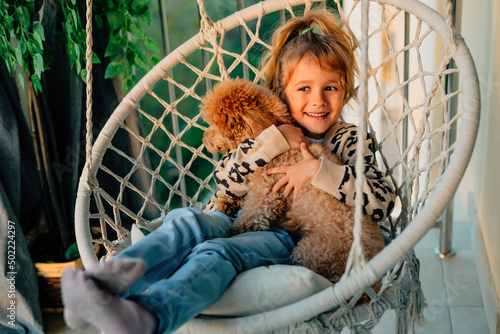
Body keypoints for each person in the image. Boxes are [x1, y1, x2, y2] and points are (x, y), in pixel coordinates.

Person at [61, 8, 395, 334]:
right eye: (304, 88)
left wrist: (317, 171)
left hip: (288, 237)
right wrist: (275, 140)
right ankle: (103, 284)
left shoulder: (350, 139)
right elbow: (228, 181)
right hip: (240, 215)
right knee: (188, 221)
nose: (318, 100)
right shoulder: (267, 128)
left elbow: (381, 200)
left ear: (346, 89)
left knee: (218, 251)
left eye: (330, 88)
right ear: (282, 93)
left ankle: (149, 316)